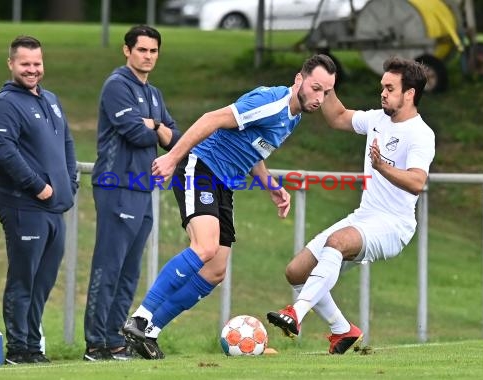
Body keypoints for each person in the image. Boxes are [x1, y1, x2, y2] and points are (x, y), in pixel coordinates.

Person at [119, 54, 338, 359]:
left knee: (215, 271)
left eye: (326, 93)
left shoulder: (293, 116)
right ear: (299, 79)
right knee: (205, 247)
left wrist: (271, 187)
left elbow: (253, 149)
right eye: (316, 88)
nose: (320, 98)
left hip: (225, 183)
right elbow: (211, 119)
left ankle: (150, 333)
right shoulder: (272, 101)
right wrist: (171, 158)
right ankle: (140, 317)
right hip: (201, 167)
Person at [266, 56, 435, 354]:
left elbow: (417, 182)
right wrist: (325, 84)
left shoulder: (421, 134)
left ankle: (295, 314)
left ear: (409, 94)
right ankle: (343, 331)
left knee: (338, 242)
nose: (382, 93)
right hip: (364, 217)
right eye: (382, 86)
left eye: (390, 88)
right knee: (296, 272)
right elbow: (337, 117)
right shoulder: (377, 119)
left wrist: (382, 167)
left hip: (394, 225)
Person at [83, 25, 181, 361]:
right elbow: (134, 133)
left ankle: (115, 340)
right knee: (108, 267)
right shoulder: (116, 86)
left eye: (153, 51)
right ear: (127, 51)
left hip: (143, 189)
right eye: (142, 50)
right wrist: (156, 128)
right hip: (116, 186)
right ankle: (95, 344)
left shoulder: (153, 93)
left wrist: (153, 125)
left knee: (129, 270)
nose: (148, 56)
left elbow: (176, 139)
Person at [0, 35, 78, 365]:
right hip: (23, 205)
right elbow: (5, 151)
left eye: (37, 63)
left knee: (43, 281)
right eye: (25, 63)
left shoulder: (50, 99)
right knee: (23, 280)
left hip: (54, 208)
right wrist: (38, 186)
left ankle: (33, 346)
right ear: (11, 63)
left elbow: (66, 142)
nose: (32, 69)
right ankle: (17, 349)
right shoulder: (4, 105)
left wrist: (70, 181)